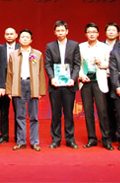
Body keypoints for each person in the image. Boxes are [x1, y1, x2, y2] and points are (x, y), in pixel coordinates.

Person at [7, 29, 46, 151]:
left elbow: (41, 73)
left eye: (27, 37)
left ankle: (35, 142)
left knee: (34, 116)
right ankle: (21, 141)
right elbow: (9, 73)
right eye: (22, 37)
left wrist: (41, 90)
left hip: (32, 85)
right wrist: (9, 90)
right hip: (18, 84)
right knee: (19, 115)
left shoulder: (38, 54)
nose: (24, 39)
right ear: (19, 39)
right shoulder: (13, 54)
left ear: (31, 40)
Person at [45, 20, 81, 149]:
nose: (60, 33)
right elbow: (47, 64)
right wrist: (52, 78)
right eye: (58, 31)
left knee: (69, 113)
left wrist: (73, 78)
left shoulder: (74, 45)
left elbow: (77, 64)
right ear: (54, 32)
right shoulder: (50, 46)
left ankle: (70, 139)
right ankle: (56, 139)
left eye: (62, 30)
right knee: (56, 113)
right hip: (55, 84)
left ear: (67, 31)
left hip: (69, 85)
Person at [78, 23, 112, 150]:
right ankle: (92, 138)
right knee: (88, 112)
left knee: (102, 111)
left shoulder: (105, 47)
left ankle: (106, 139)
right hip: (86, 82)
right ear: (85, 34)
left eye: (94, 32)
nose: (92, 34)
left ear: (98, 34)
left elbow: (110, 63)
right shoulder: (80, 47)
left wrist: (101, 63)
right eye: (89, 32)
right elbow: (78, 64)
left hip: (100, 81)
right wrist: (81, 75)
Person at [0, 27, 19, 143]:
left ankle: (18, 136)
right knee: (3, 112)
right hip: (3, 84)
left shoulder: (21, 48)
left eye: (11, 34)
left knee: (18, 112)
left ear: (16, 35)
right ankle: (4, 136)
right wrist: (2, 83)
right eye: (7, 34)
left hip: (18, 85)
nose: (9, 36)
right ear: (4, 36)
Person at [104, 22, 120, 144]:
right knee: (107, 108)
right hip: (104, 80)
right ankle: (109, 134)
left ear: (118, 33)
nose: (111, 32)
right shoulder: (100, 45)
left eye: (113, 30)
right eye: (109, 30)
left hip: (119, 81)